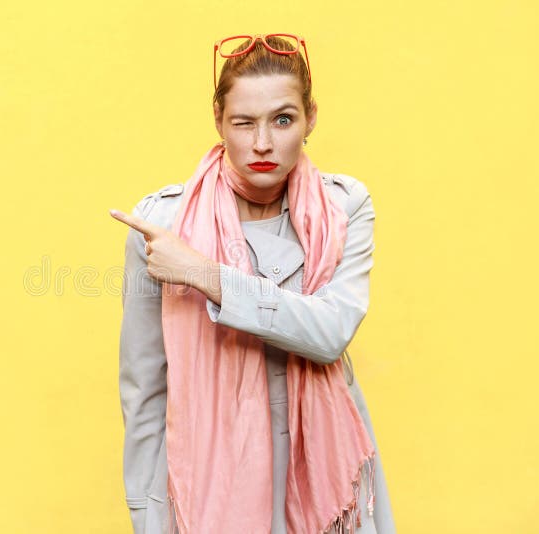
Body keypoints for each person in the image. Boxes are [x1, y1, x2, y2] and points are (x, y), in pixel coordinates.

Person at [110, 33, 395, 534]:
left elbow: (329, 334)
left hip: (324, 472)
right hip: (205, 474)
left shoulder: (344, 209)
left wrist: (204, 275)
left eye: (282, 119)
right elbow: (145, 385)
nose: (262, 143)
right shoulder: (164, 223)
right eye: (244, 123)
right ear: (219, 120)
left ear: (310, 118)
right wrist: (144, 510)